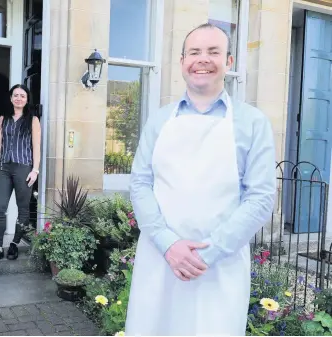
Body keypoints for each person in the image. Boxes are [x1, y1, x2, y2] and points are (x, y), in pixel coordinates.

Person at [125, 23, 276, 336]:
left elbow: (261, 197)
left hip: (219, 267)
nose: (202, 59)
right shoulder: (159, 120)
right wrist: (169, 246)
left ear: (229, 62)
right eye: (194, 52)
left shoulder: (252, 123)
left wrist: (205, 255)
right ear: (182, 62)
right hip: (159, 260)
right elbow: (140, 184)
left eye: (213, 52)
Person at [0, 84, 41, 264]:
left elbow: (36, 147)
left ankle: (15, 244)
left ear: (27, 99)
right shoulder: (4, 119)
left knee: (23, 209)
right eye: (15, 95)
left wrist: (35, 169)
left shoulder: (33, 120)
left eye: (22, 95)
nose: (18, 98)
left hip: (24, 168)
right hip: (3, 167)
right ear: (10, 98)